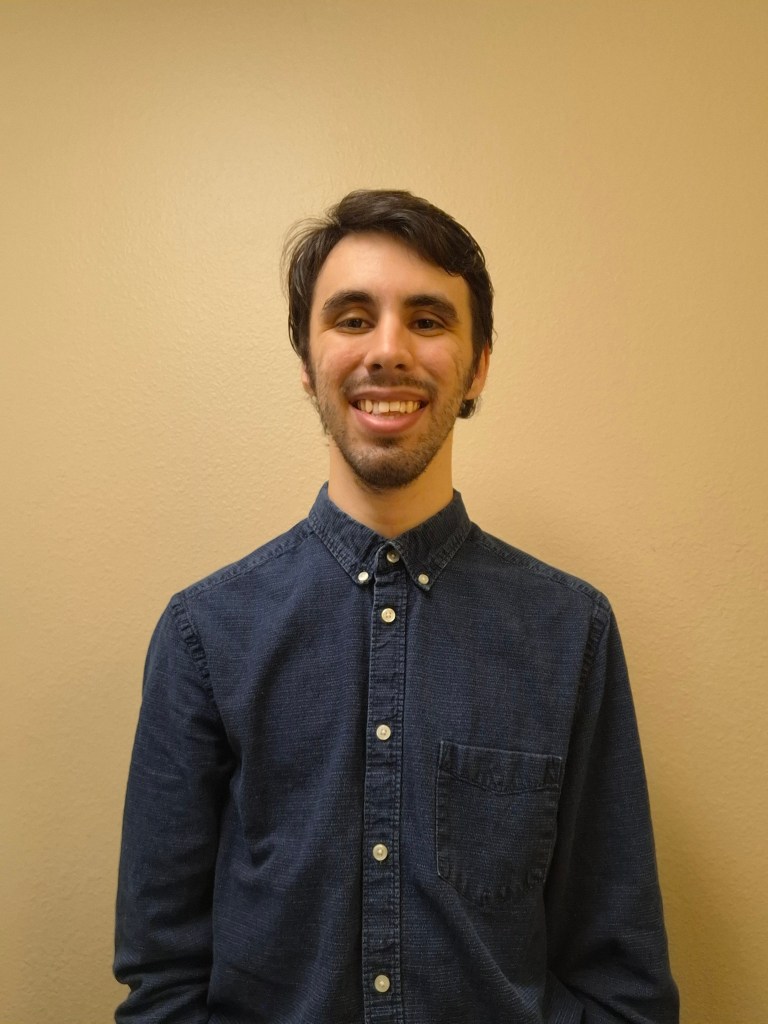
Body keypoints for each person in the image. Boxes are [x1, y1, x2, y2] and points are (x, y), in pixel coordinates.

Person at [114, 189, 679, 1023]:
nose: (388, 350)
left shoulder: (572, 633)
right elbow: (163, 982)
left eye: (427, 320)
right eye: (352, 319)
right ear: (306, 361)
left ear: (478, 365)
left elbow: (621, 979)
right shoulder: (204, 636)